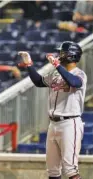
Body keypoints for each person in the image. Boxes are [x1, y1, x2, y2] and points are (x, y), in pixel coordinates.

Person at [18, 41, 86, 179]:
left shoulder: (80, 74)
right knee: (53, 170)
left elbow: (74, 82)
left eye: (62, 53)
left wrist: (56, 65)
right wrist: (29, 64)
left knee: (70, 169)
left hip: (70, 123)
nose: (59, 55)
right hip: (53, 124)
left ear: (71, 55)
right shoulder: (56, 73)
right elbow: (39, 81)